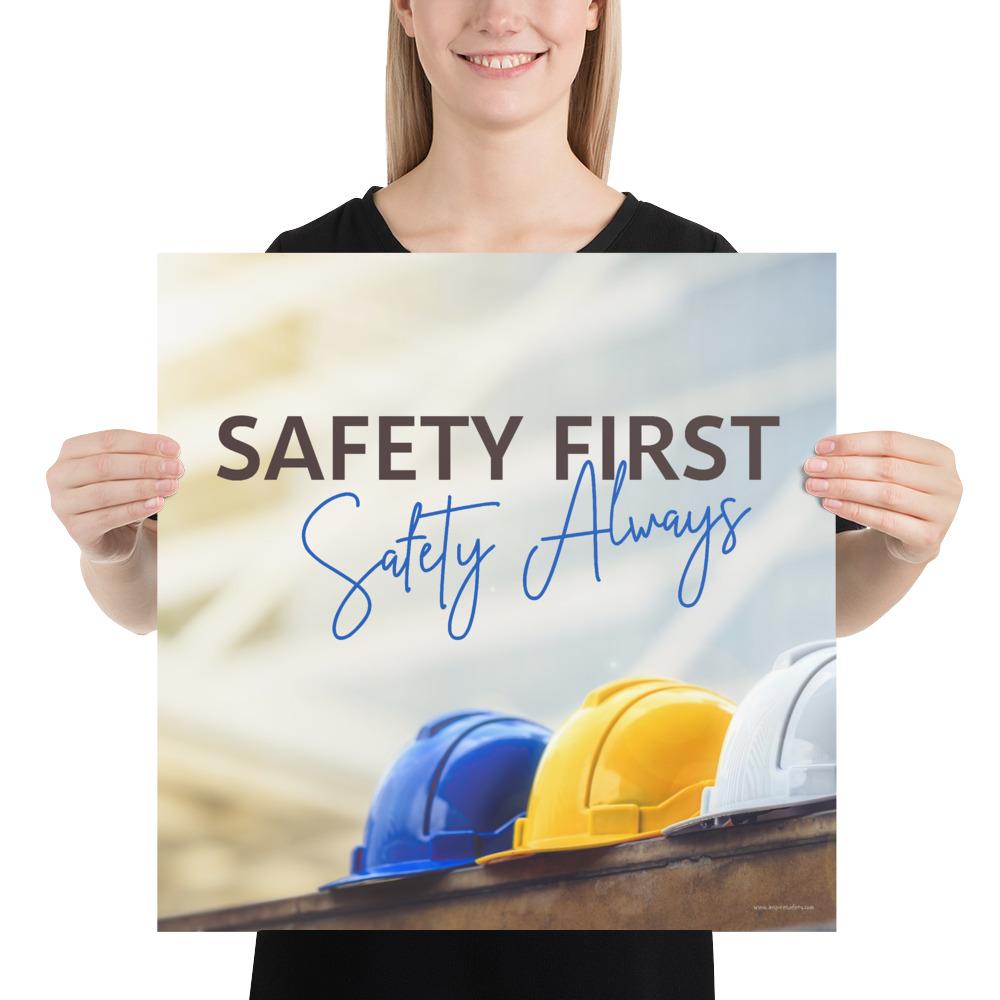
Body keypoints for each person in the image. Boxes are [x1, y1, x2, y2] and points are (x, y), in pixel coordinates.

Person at [45, 1, 963, 997]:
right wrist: (112, 548)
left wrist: (901, 545)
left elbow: (802, 592)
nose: (499, 11)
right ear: (403, 10)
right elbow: (157, 606)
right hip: (361, 949)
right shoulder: (309, 267)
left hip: (611, 950)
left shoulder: (697, 269)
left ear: (594, 11)